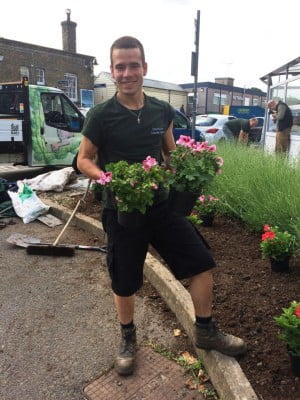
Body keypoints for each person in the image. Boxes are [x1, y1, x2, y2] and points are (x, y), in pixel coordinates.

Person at [77, 36, 246, 376]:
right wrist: (109, 180)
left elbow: (169, 152)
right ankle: (128, 339)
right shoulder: (100, 115)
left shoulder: (161, 110)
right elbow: (83, 159)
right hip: (123, 210)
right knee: (124, 280)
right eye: (120, 67)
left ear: (144, 68)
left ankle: (206, 330)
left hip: (162, 205)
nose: (127, 73)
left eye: (133, 65)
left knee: (201, 264)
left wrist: (186, 170)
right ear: (112, 71)